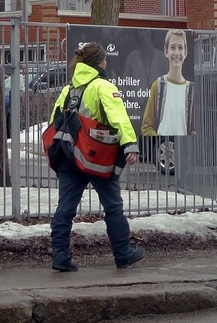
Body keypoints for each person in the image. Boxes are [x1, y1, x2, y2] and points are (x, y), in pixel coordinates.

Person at [48, 42, 146, 272]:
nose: (106, 62)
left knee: (65, 208)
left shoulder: (68, 89)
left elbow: (55, 121)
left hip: (69, 155)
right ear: (99, 62)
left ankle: (60, 257)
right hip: (97, 157)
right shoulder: (102, 86)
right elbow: (118, 117)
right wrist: (129, 144)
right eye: (104, 59)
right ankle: (122, 254)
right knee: (112, 206)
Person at [141, 29, 196, 136]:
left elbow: (194, 130)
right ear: (166, 51)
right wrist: (160, 142)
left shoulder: (191, 90)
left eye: (180, 48)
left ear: (186, 52)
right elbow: (146, 127)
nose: (176, 53)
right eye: (172, 47)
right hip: (161, 151)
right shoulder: (157, 86)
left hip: (184, 151)